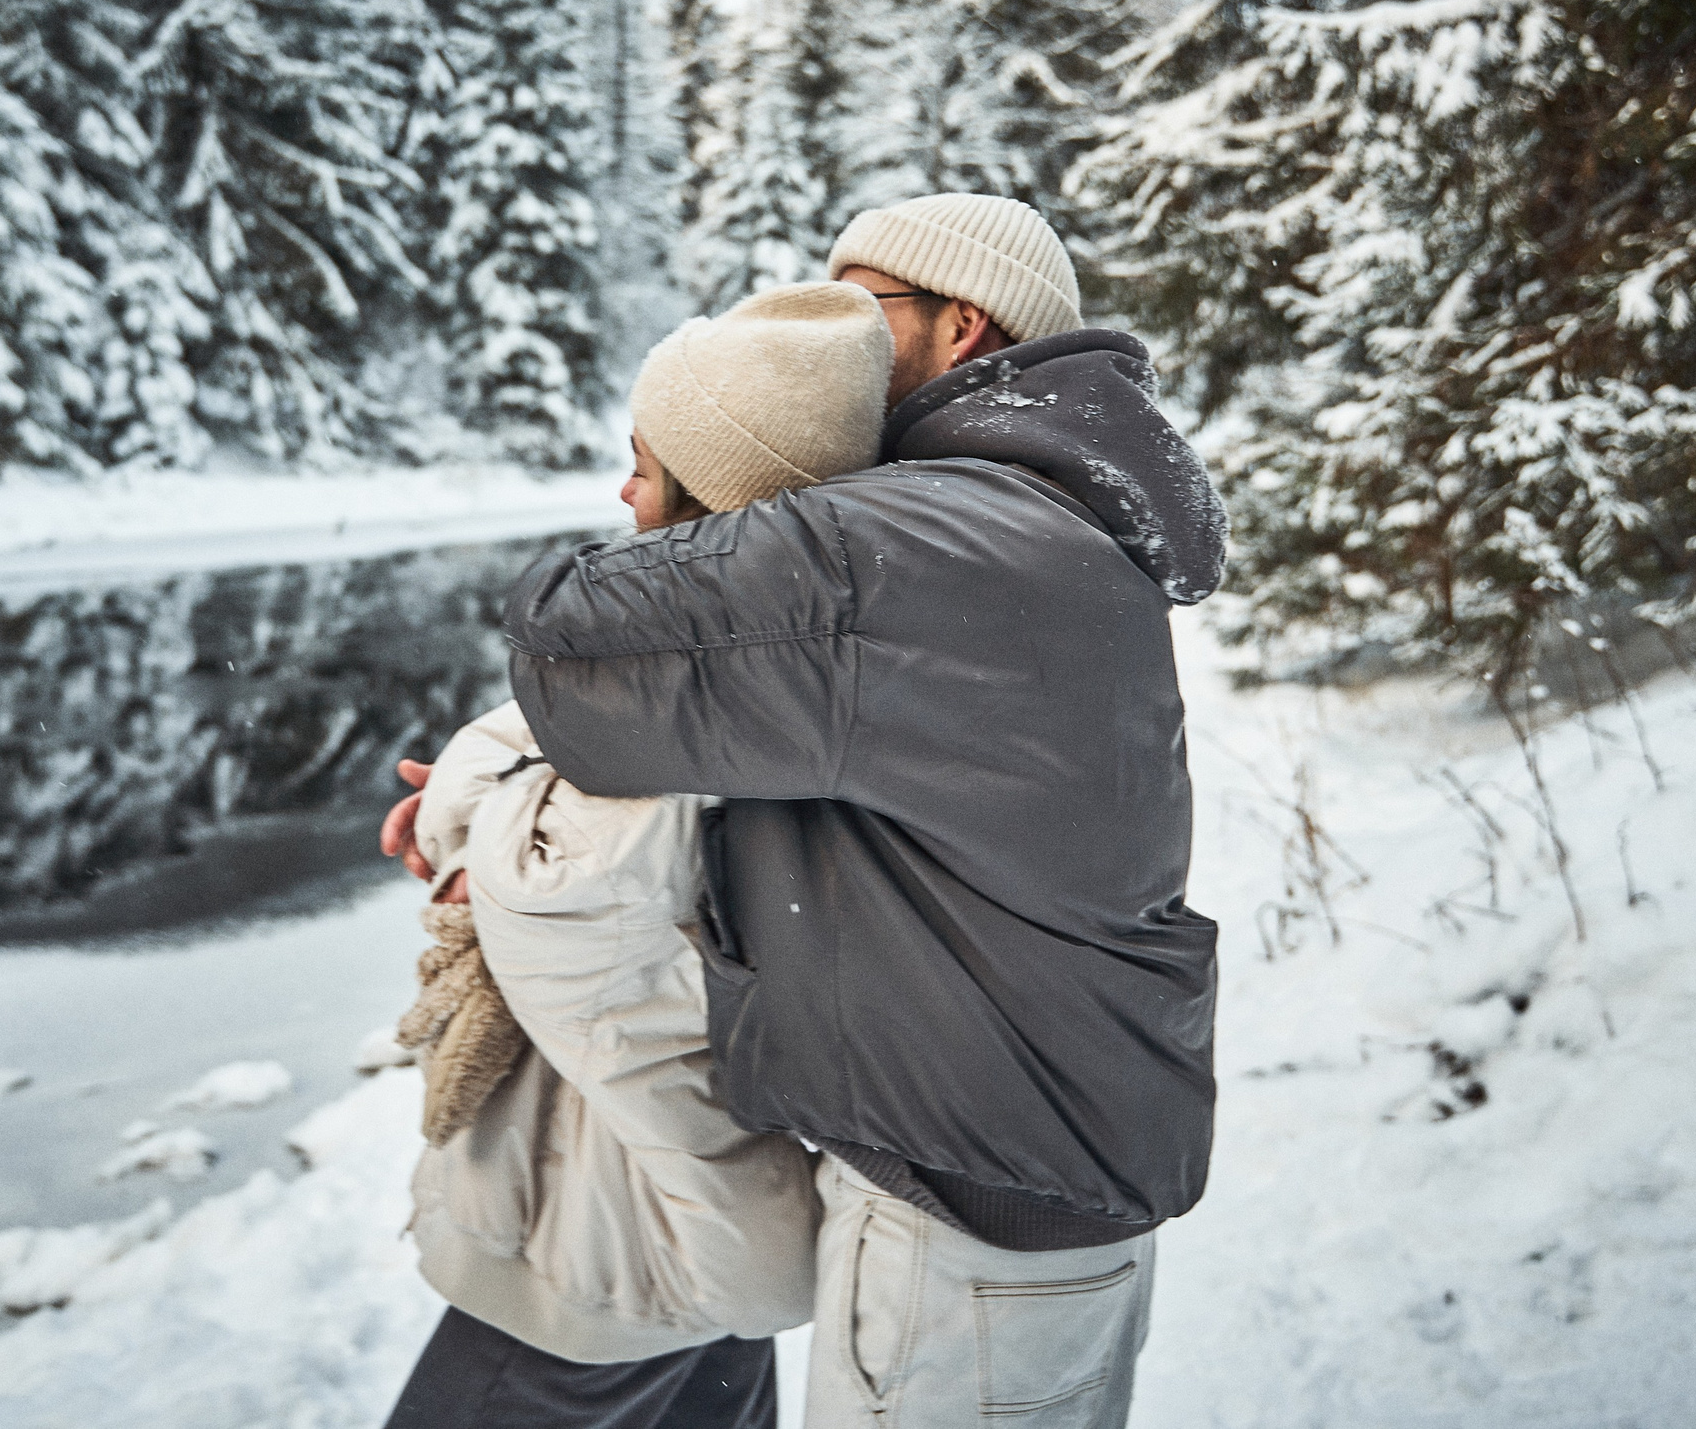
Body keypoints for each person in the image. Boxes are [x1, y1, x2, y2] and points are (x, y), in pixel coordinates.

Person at [500, 193, 1230, 1428]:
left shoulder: (931, 540)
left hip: (969, 1222)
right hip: (1020, 1179)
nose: (828, 336)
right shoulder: (1017, 523)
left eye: (863, 308)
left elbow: (579, 651)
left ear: (963, 327)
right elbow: (748, 691)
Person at [380, 282, 898, 1429]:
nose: (621, 490)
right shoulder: (795, 661)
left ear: (713, 491)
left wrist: (467, 807)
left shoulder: (686, 692)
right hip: (698, 1230)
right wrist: (500, 777)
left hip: (598, 1257)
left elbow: (554, 890)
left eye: (644, 465)